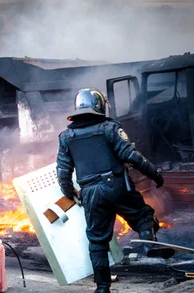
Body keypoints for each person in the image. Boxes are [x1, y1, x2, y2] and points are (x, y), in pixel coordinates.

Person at [56, 88, 173, 293]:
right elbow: (132, 156)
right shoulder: (109, 128)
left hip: (90, 193)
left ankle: (102, 289)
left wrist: (70, 193)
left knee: (97, 241)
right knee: (143, 215)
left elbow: (63, 172)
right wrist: (155, 174)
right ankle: (150, 245)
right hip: (116, 185)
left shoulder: (66, 137)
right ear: (99, 106)